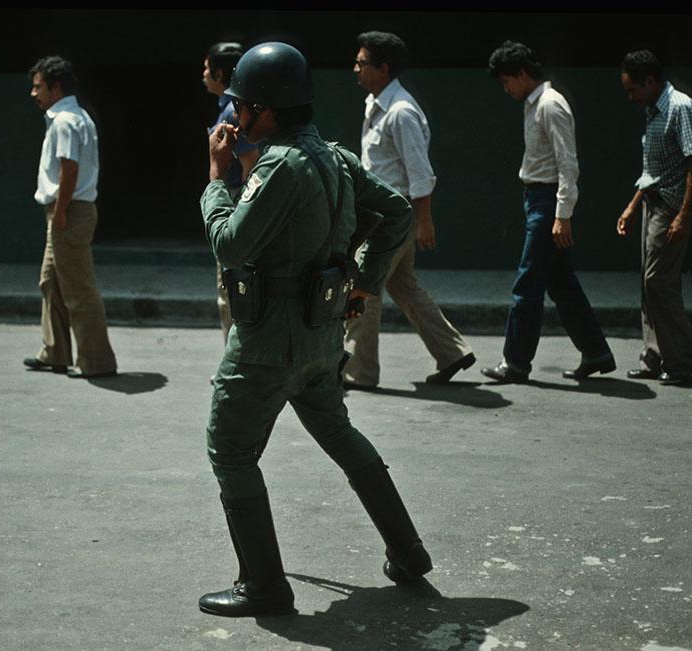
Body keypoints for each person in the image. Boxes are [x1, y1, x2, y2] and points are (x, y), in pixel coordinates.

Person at [198, 42, 430, 618]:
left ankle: (265, 588)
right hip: (321, 336)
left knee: (229, 451)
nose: (235, 116)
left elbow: (229, 244)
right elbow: (397, 211)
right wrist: (364, 285)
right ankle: (407, 549)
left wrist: (218, 176)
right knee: (339, 434)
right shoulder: (334, 156)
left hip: (268, 342)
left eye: (242, 106)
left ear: (265, 111)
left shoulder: (277, 165)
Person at [344, 31, 475, 388]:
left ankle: (359, 371)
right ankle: (452, 352)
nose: (355, 68)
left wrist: (424, 220)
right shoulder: (376, 105)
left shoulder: (400, 113)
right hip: (380, 215)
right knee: (404, 286)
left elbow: (420, 172)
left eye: (362, 63)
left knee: (362, 288)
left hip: (391, 217)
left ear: (383, 68)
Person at [481, 41, 614, 384]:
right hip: (538, 200)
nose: (505, 88)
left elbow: (568, 163)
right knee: (562, 284)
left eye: (507, 80)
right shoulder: (534, 104)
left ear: (523, 74)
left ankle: (515, 363)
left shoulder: (550, 105)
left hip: (546, 202)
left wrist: (561, 214)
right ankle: (597, 352)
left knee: (526, 285)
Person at [22, 56, 117, 379]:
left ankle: (96, 361)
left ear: (55, 87)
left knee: (78, 289)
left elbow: (69, 169)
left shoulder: (65, 121)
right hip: (69, 210)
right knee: (50, 281)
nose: (33, 93)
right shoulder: (76, 117)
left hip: (69, 210)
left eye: (38, 87)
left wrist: (60, 213)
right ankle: (55, 351)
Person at [617, 50, 692, 385]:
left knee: (659, 284)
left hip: (670, 208)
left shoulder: (680, 107)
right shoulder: (652, 111)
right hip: (651, 205)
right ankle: (654, 356)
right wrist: (632, 204)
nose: (630, 97)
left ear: (650, 82)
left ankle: (684, 360)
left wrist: (684, 215)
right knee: (648, 285)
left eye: (632, 90)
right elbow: (652, 169)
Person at [203, 42, 261, 343]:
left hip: (236, 202)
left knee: (231, 290)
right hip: (237, 200)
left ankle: (234, 362)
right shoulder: (231, 107)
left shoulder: (232, 110)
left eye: (206, 68)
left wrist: (241, 212)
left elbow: (249, 162)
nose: (203, 74)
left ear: (219, 72)